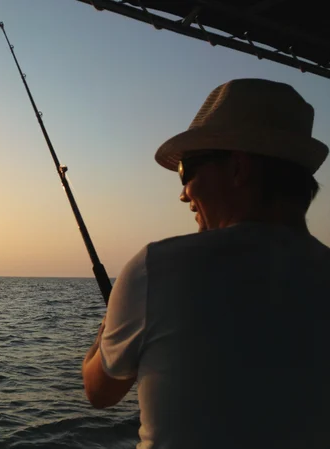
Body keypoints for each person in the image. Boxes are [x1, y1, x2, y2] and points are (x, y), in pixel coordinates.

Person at [81, 78, 330, 449]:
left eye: (187, 170)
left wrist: (108, 325)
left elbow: (99, 392)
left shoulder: (156, 268)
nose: (184, 193)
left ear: (238, 168)